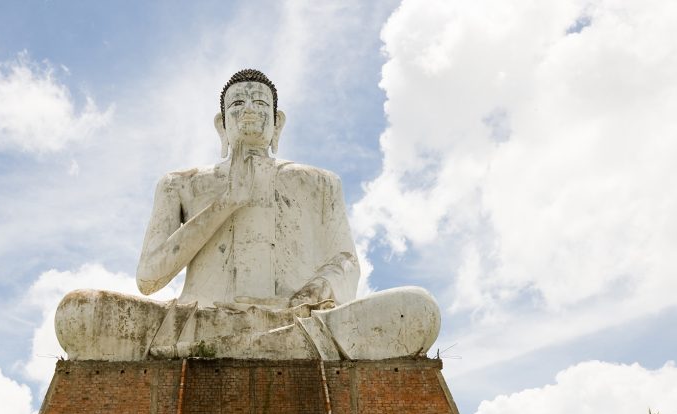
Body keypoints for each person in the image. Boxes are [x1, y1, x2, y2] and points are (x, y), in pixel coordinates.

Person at [54, 69, 440, 361]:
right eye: (238, 104)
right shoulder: (181, 184)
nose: (250, 110)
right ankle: (266, 345)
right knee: (78, 313)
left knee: (417, 309)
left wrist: (312, 293)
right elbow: (149, 277)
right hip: (201, 320)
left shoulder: (320, 183)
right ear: (221, 124)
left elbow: (345, 262)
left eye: (260, 104)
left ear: (277, 122)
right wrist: (228, 201)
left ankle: (259, 342)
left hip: (298, 319)